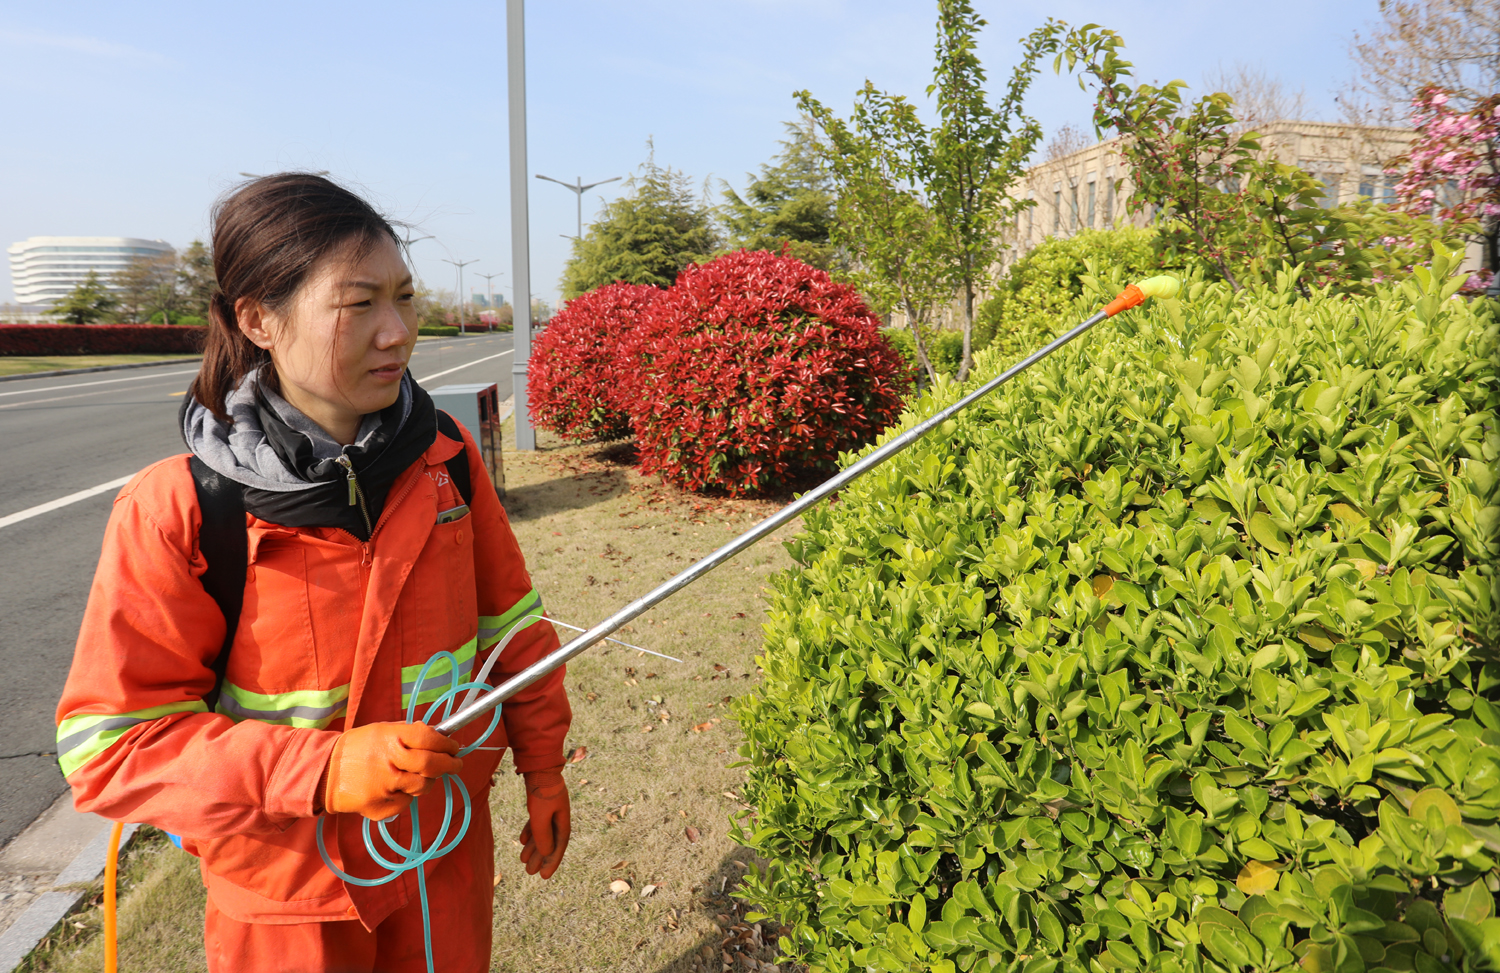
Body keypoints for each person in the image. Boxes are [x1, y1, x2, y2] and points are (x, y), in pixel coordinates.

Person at [54, 173, 571, 972]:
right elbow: (110, 747)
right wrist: (324, 770)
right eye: (359, 304)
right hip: (285, 901)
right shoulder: (181, 508)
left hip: (441, 863)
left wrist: (543, 766)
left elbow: (512, 628)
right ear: (258, 319)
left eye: (405, 298)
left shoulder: (446, 460)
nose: (398, 332)